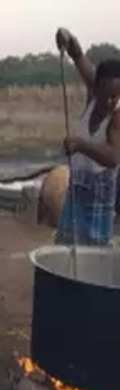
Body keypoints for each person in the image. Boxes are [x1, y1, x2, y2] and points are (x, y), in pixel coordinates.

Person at [55, 29, 120, 247]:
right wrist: (65, 37)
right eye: (109, 94)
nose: (113, 101)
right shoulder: (92, 98)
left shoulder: (118, 117)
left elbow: (113, 157)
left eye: (118, 95)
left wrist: (81, 145)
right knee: (66, 254)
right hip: (76, 195)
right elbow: (77, 53)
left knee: (93, 263)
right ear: (96, 88)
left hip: (99, 204)